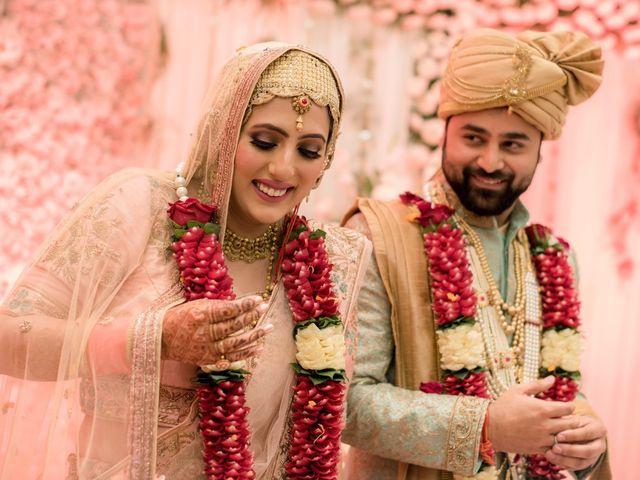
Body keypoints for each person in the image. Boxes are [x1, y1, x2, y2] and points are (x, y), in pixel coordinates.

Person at [0, 42, 371, 479]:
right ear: (224, 130)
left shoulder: (331, 261)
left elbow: (338, 416)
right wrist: (154, 338)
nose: (283, 169)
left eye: (308, 151)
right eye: (264, 141)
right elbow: (9, 338)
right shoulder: (140, 206)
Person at [341, 29, 611, 479]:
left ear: (540, 150)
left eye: (513, 144)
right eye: (473, 137)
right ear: (444, 132)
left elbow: (563, 392)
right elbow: (345, 402)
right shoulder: (376, 236)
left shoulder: (555, 259)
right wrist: (486, 426)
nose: (489, 161)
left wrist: (586, 442)